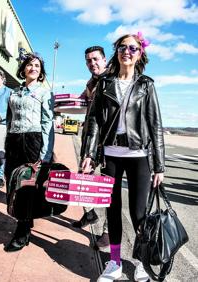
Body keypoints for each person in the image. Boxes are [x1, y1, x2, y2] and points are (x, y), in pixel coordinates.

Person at [81, 32, 165, 282]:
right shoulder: (105, 83)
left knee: (139, 213)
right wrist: (89, 153)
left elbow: (155, 124)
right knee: (113, 210)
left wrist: (159, 165)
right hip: (111, 155)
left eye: (133, 48)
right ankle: (115, 262)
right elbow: (94, 120)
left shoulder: (146, 84)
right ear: (116, 52)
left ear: (140, 54)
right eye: (122, 47)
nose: (126, 51)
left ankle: (141, 262)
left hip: (139, 155)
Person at [4, 53, 54, 252]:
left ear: (41, 71)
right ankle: (25, 221)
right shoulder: (13, 92)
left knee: (26, 184)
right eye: (30, 65)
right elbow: (9, 119)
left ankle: (22, 231)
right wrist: (7, 141)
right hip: (14, 140)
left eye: (37, 66)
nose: (34, 68)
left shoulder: (44, 92)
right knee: (11, 181)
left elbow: (47, 123)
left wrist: (46, 153)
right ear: (23, 68)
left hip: (33, 140)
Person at [72, 46, 109, 249]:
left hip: (108, 141)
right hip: (90, 139)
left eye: (95, 59)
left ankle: (108, 232)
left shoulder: (112, 79)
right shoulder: (91, 82)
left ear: (104, 60)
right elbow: (82, 102)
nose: (92, 63)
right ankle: (89, 214)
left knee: (108, 188)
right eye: (88, 61)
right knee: (83, 180)